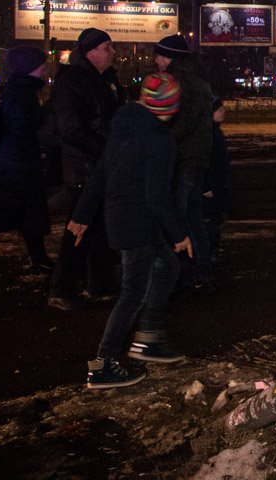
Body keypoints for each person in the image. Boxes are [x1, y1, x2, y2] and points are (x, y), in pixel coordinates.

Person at [71, 72, 191, 389]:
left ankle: (147, 338)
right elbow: (157, 193)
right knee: (132, 293)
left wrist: (83, 214)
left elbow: (100, 172)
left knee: (167, 266)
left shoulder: (125, 127)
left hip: (122, 216)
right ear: (170, 105)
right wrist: (179, 233)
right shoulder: (160, 140)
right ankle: (104, 363)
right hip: (138, 221)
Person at [48, 28, 125, 310]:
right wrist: (106, 150)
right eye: (107, 47)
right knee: (79, 228)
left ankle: (100, 283)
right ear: (91, 51)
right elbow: (71, 129)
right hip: (84, 167)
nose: (112, 52)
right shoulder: (73, 81)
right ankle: (61, 289)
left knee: (102, 227)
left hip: (101, 164)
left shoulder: (105, 79)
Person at [153, 34, 215, 290]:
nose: (155, 61)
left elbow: (179, 123)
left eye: (157, 55)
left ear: (167, 56)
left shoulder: (178, 81)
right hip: (196, 157)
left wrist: (157, 139)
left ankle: (175, 273)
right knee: (192, 217)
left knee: (175, 218)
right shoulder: (198, 79)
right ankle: (202, 271)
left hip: (182, 159)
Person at [0, 46, 54, 273]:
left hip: (15, 161)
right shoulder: (22, 93)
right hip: (18, 164)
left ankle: (39, 258)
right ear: (30, 68)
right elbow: (22, 125)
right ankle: (39, 258)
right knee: (9, 211)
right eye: (40, 65)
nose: (44, 69)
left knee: (25, 213)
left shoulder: (19, 90)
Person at [202, 97, 232, 266]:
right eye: (219, 110)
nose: (223, 112)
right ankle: (208, 256)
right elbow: (204, 162)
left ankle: (212, 252)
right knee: (211, 224)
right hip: (212, 187)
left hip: (218, 185)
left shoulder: (215, 132)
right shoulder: (209, 135)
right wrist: (206, 186)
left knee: (216, 221)